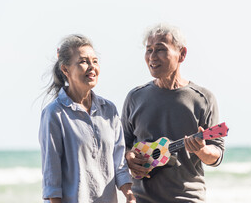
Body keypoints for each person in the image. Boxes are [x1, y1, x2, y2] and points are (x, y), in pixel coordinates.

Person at [122, 23, 225, 203]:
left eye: (160, 49)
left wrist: (201, 150)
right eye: (149, 50)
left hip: (188, 198)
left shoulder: (203, 99)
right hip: (142, 199)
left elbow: (216, 154)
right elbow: (123, 145)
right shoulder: (135, 97)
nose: (152, 57)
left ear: (182, 54)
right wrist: (129, 157)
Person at [39, 34, 136, 203]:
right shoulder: (55, 114)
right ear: (65, 70)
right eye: (83, 61)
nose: (92, 67)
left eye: (95, 61)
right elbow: (51, 176)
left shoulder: (109, 110)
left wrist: (129, 194)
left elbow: (119, 162)